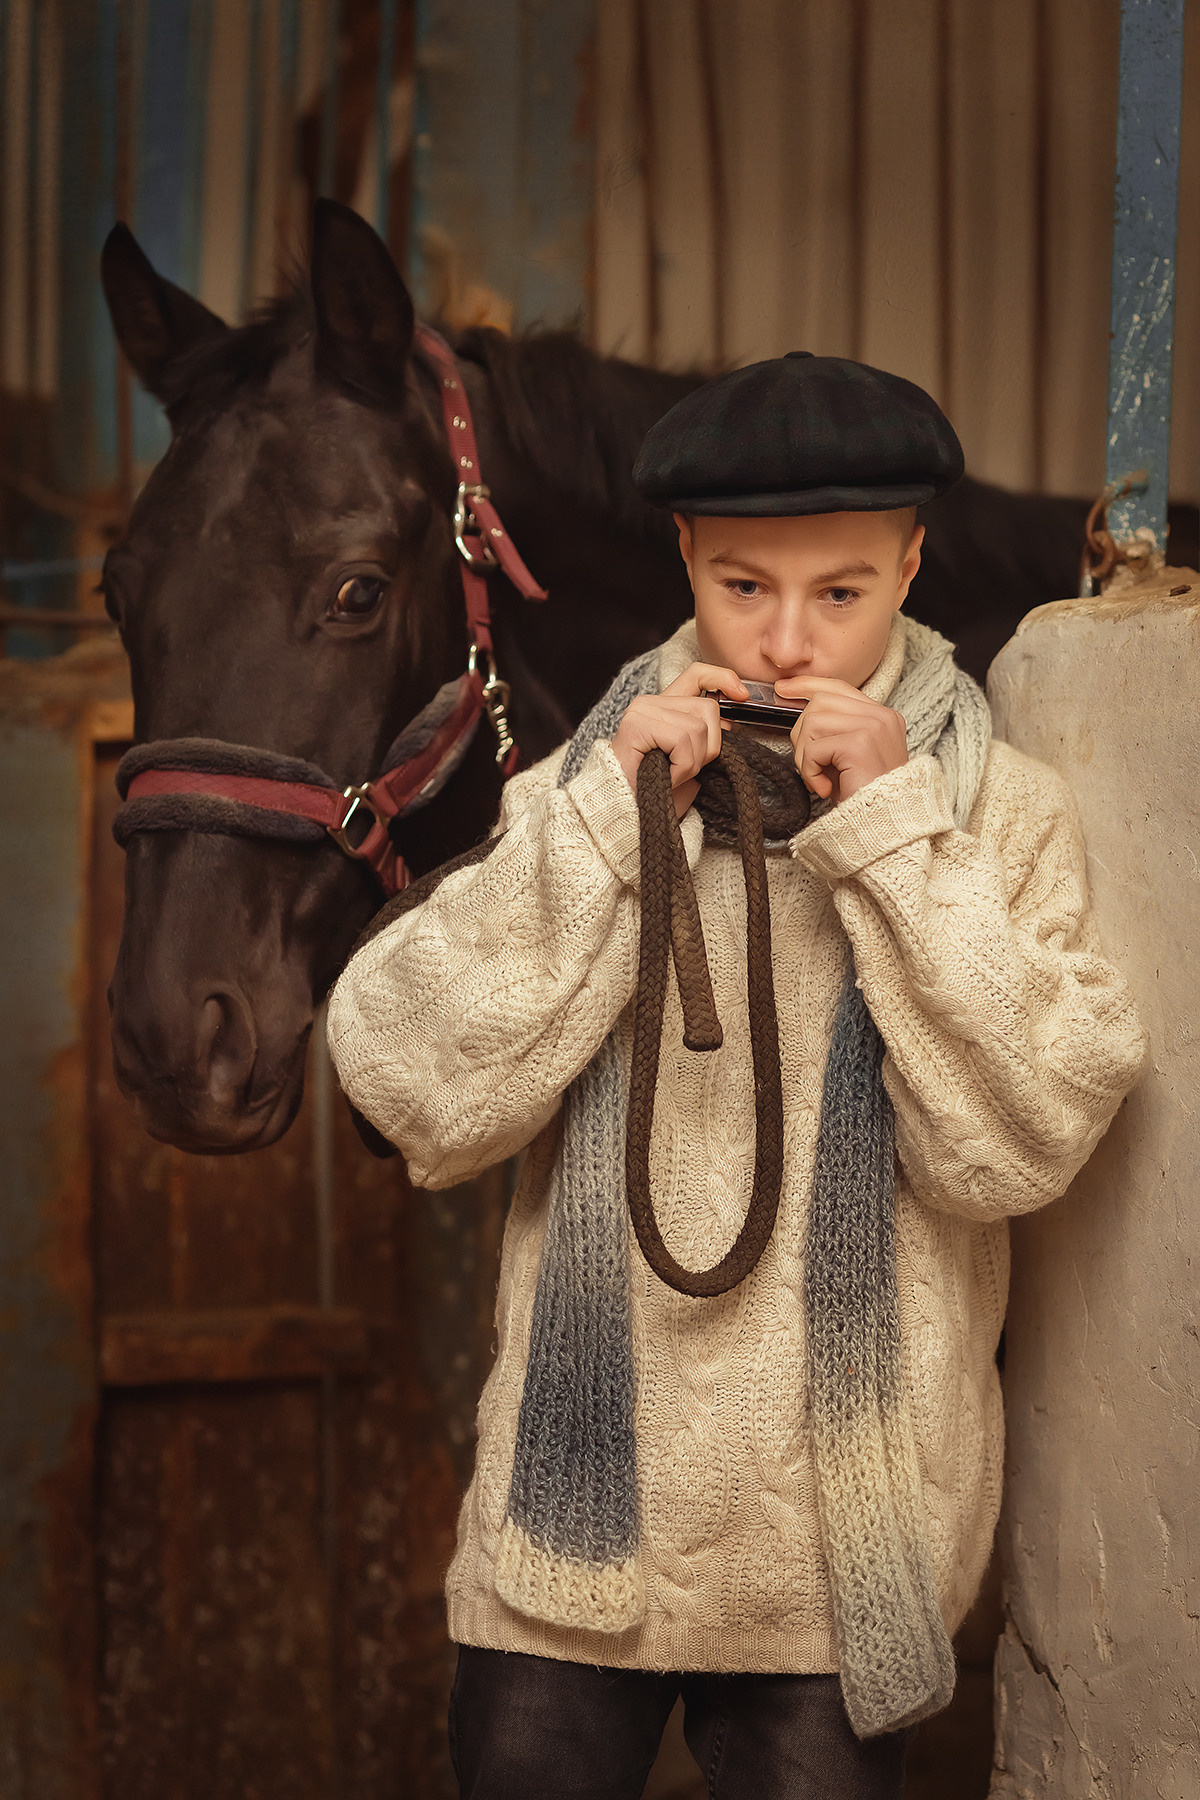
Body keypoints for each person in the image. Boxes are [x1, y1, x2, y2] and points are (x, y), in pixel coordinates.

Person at [327, 352, 1146, 1800]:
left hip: (843, 1558)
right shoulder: (583, 786)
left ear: (912, 564)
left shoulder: (996, 814)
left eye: (841, 592)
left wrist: (893, 833)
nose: (785, 642)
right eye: (743, 585)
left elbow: (1016, 1147)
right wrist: (602, 826)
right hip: (571, 1545)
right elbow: (405, 1084)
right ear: (685, 557)